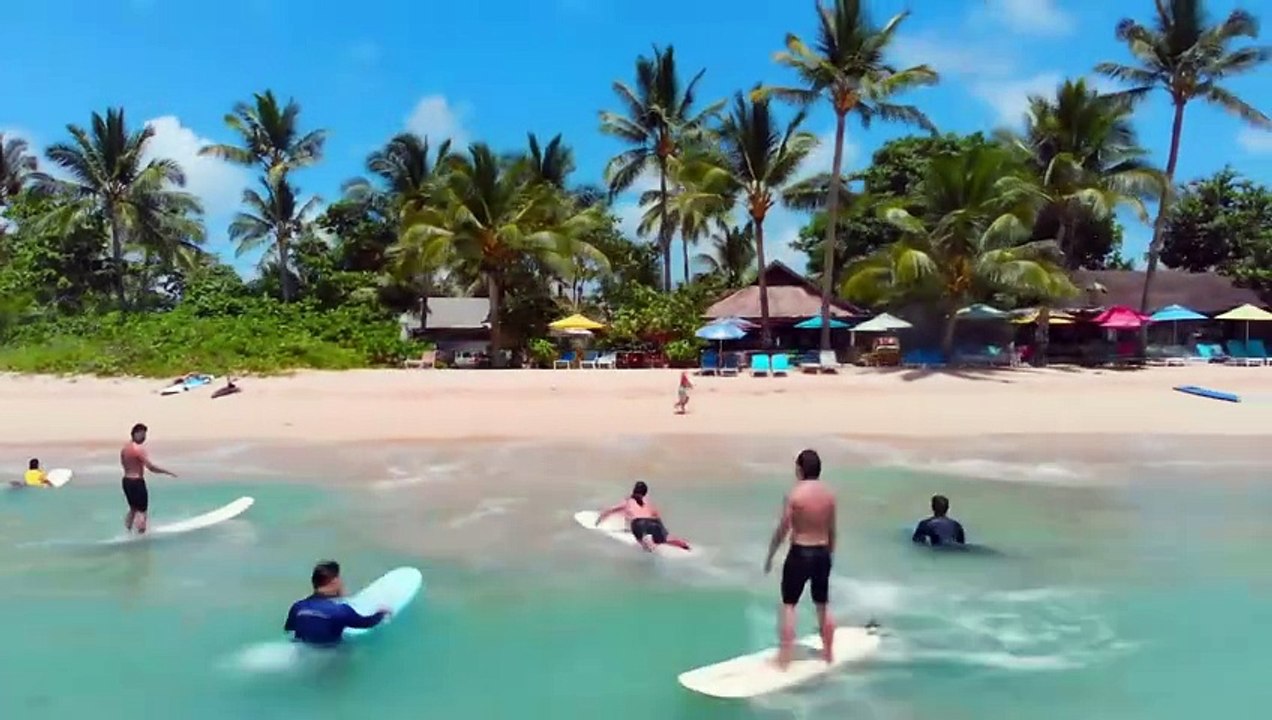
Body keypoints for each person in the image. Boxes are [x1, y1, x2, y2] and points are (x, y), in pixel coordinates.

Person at [764, 449, 836, 669]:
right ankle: (828, 653)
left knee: (789, 605)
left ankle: (785, 658)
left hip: (800, 552)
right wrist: (829, 554)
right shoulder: (829, 495)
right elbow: (832, 528)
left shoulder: (795, 495)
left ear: (800, 469)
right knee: (822, 604)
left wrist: (771, 554)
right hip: (822, 552)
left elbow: (783, 528)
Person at [284, 560, 391, 646]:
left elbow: (289, 630)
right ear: (334, 582)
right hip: (330, 653)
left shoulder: (298, 607)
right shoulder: (341, 611)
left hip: (303, 649)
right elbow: (367, 623)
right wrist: (381, 613)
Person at [595, 481, 692, 552]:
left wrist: (598, 521)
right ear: (645, 493)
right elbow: (656, 515)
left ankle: (648, 542)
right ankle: (684, 545)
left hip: (639, 523)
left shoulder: (628, 501)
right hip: (653, 522)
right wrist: (663, 531)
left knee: (643, 540)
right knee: (665, 539)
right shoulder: (648, 502)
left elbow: (611, 510)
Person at [120, 423, 177, 534]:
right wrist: (167, 472)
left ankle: (127, 532)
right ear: (135, 434)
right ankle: (141, 533)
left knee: (133, 508)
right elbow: (151, 467)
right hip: (137, 482)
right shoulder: (138, 450)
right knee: (142, 511)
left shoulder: (125, 449)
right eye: (142, 434)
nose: (144, 437)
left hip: (126, 481)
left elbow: (124, 464)